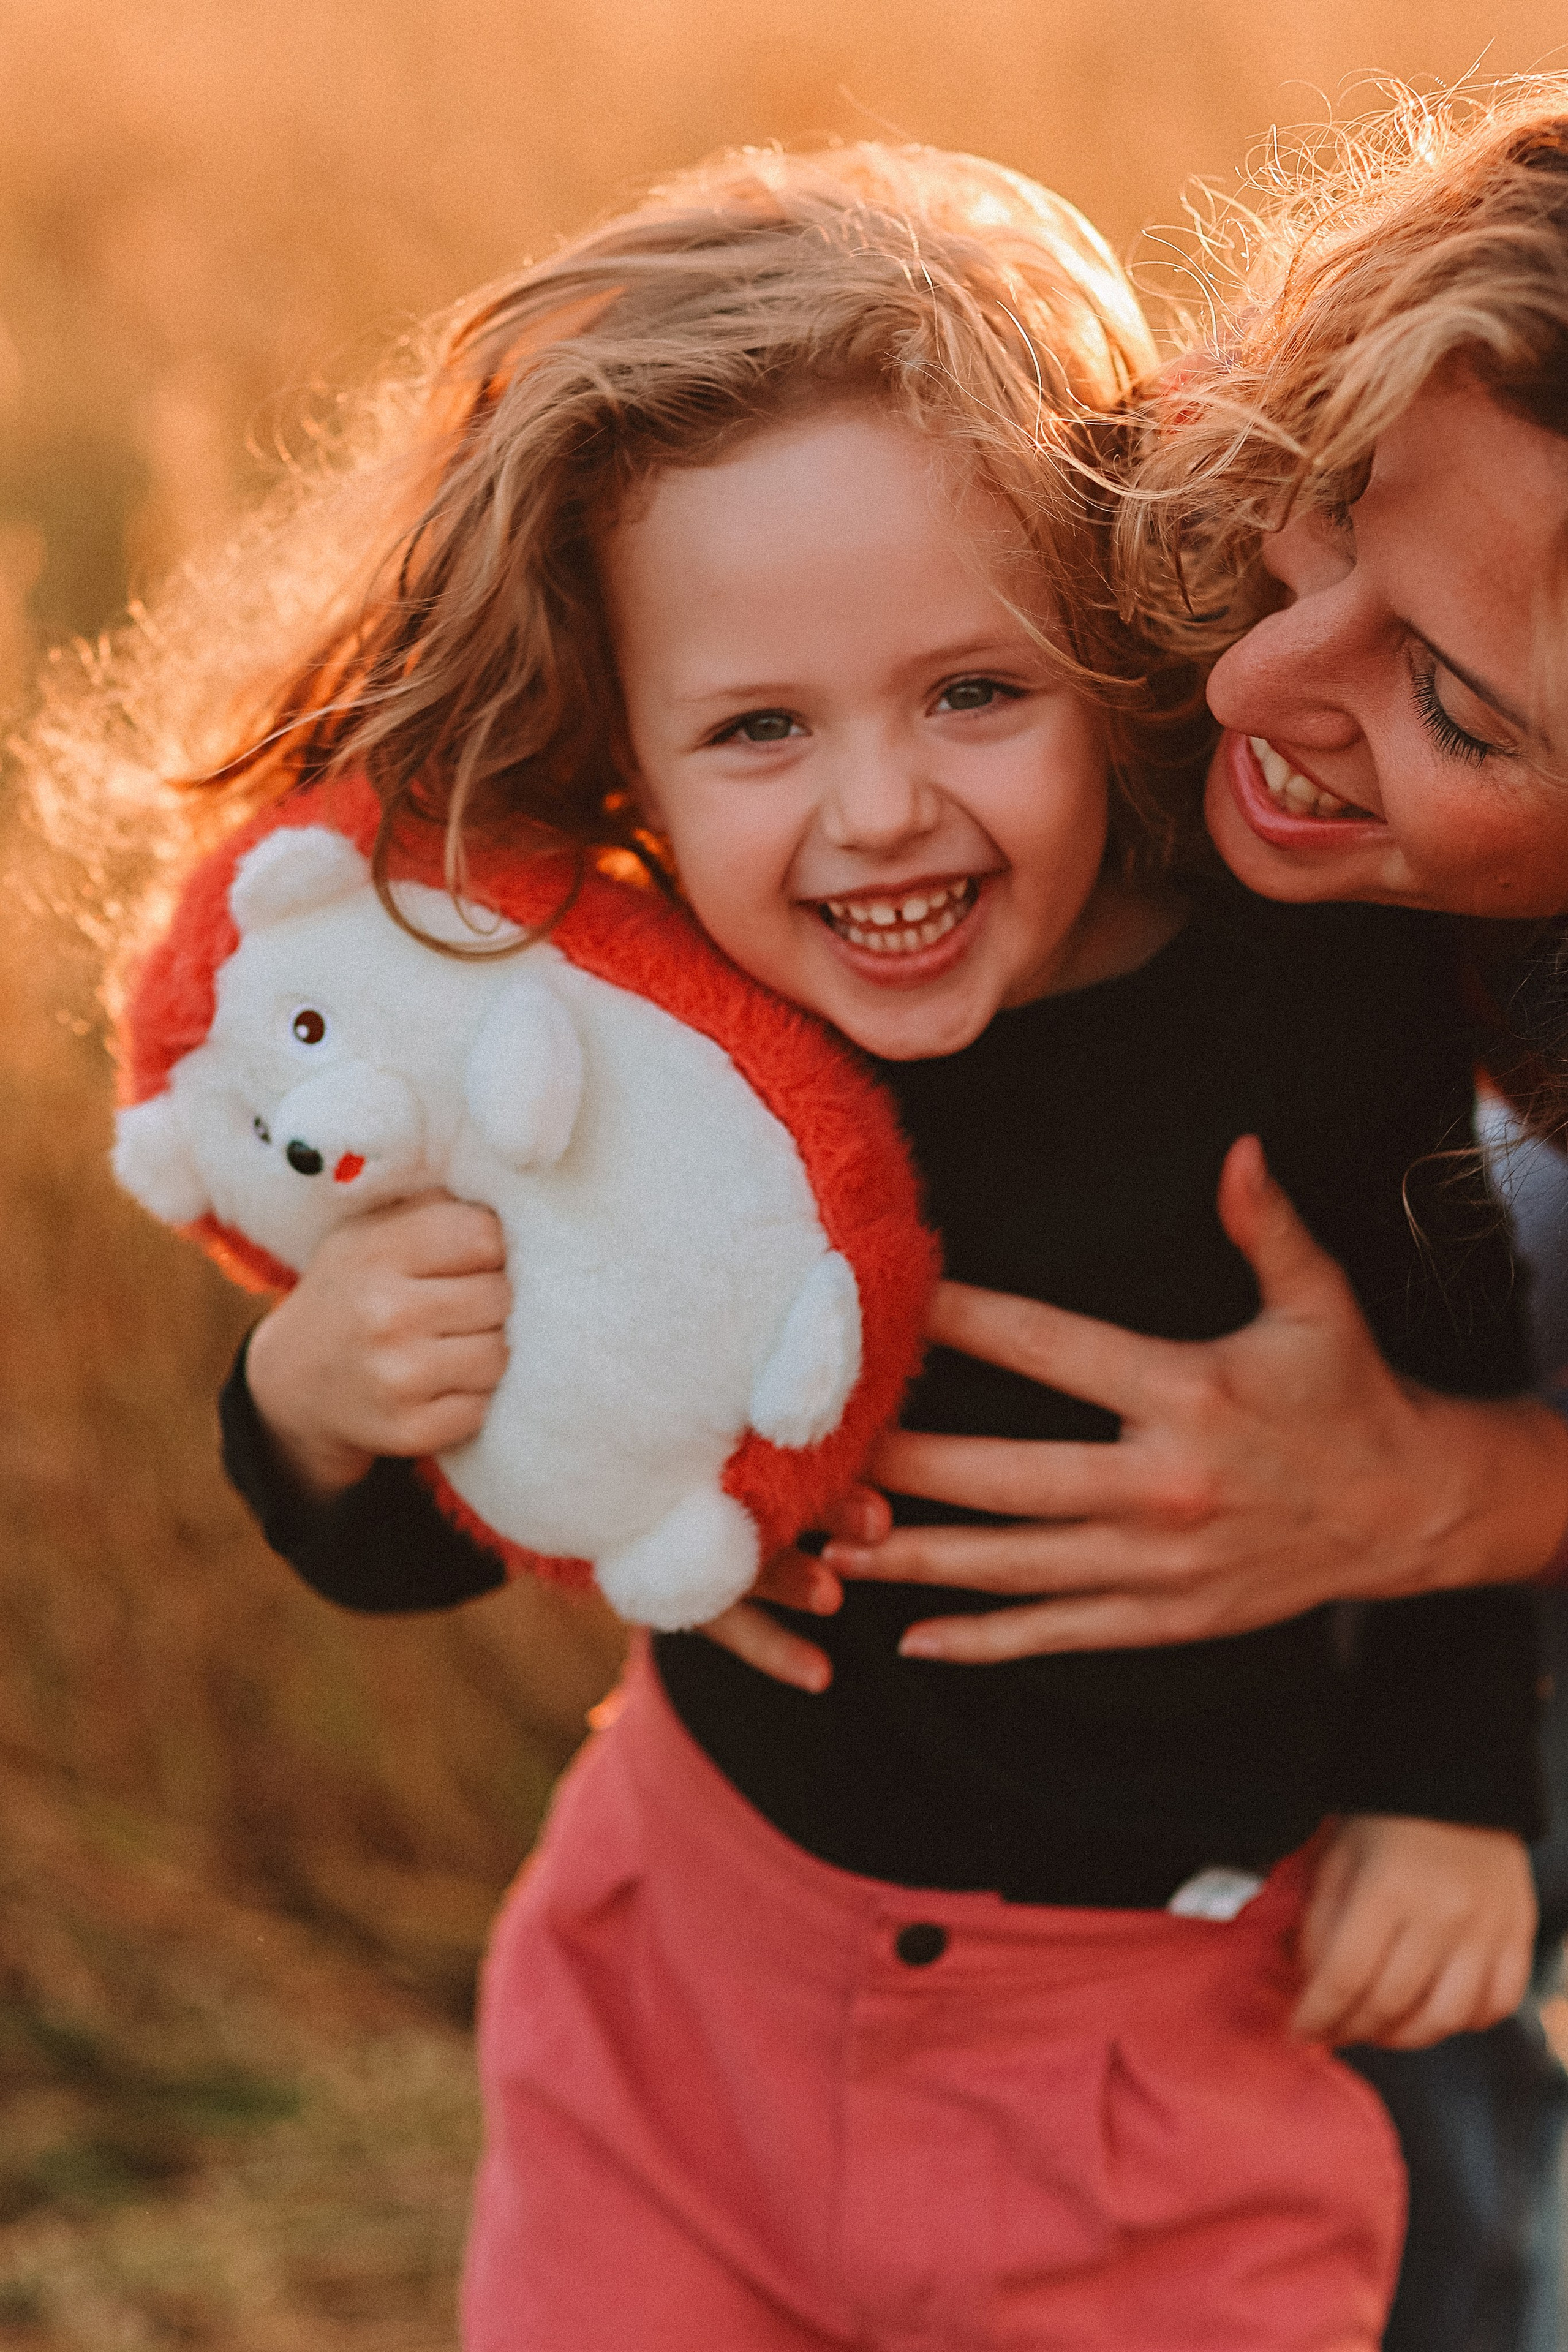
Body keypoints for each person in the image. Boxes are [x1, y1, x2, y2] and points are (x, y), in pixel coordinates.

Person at [100, 145, 1548, 2348]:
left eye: (978, 693)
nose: (877, 810)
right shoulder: (604, 1025)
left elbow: (1453, 1406)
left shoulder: (1303, 1010)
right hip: (682, 1995)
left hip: (1151, 2055)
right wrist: (312, 1412)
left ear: (1113, 660)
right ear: (624, 755)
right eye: (760, 730)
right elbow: (434, 1528)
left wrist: (1455, 1804)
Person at [792, 85, 1568, 2352]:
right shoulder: (1197, 472)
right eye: (1318, 516)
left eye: (1447, 701)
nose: (1253, 682)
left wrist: (1448, 1503)